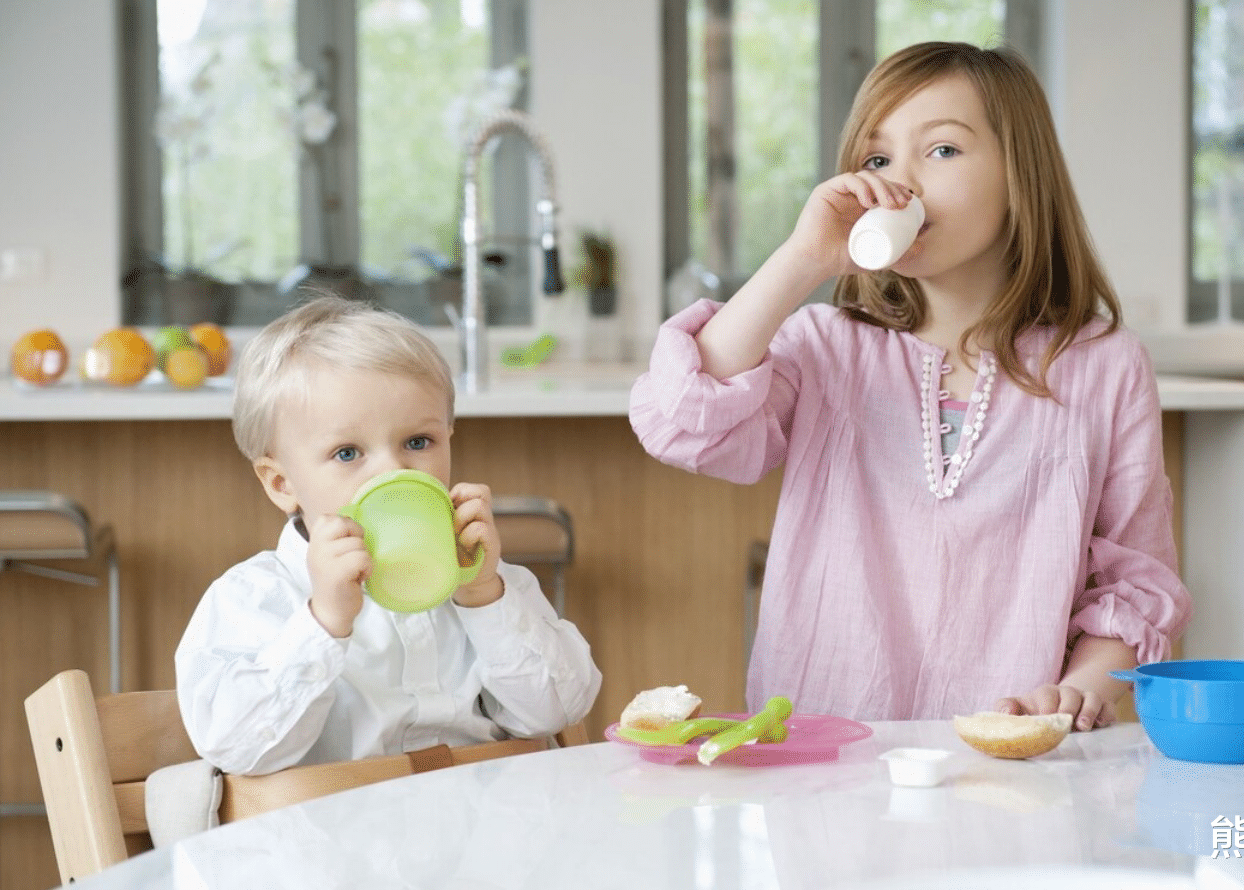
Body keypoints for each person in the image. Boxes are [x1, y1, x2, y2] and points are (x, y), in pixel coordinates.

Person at [630, 42, 1191, 731]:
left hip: (1012, 754)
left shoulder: (1103, 366)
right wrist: (801, 258)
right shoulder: (823, 346)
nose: (900, 184)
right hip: (827, 750)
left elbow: (1135, 580)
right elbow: (683, 423)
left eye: (942, 150)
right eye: (876, 159)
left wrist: (1080, 688)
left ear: (1021, 175)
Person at [176, 295, 601, 775]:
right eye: (347, 453)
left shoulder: (486, 581)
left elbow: (561, 709)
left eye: (418, 443)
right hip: (334, 839)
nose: (393, 471)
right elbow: (235, 748)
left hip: (482, 831)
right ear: (282, 483)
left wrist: (486, 596)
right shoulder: (252, 598)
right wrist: (323, 622)